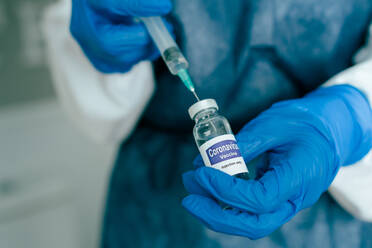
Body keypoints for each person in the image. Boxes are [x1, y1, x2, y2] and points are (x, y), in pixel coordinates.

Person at [43, 0, 372, 247]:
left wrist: (353, 115)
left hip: (327, 199)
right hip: (157, 202)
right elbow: (101, 115)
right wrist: (102, 43)